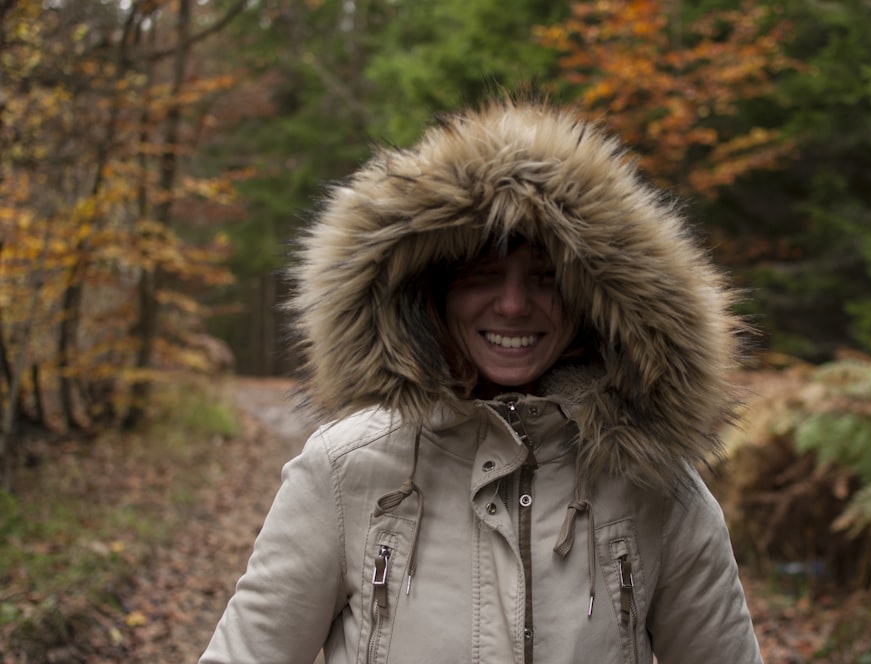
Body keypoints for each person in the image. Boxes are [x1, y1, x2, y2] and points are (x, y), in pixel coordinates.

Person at [200, 98, 763, 664]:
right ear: (431, 294)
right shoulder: (348, 471)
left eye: (546, 278)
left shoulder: (652, 482)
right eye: (483, 276)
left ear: (592, 300)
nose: (514, 305)